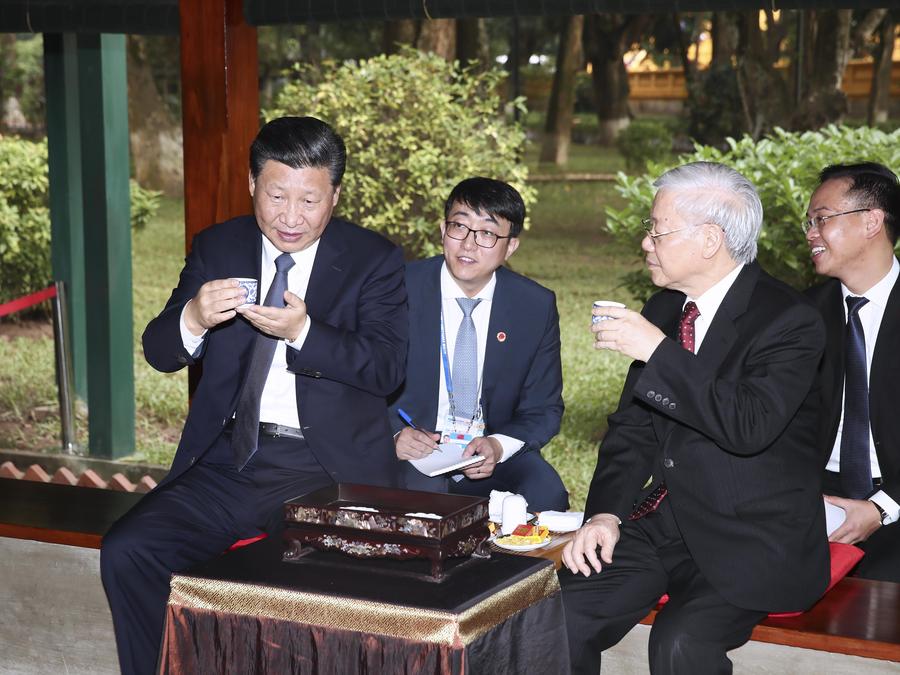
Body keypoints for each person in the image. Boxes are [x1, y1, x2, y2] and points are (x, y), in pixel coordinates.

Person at [100, 116, 408, 675]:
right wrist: (193, 318)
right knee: (130, 549)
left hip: (325, 469)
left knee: (304, 591)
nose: (291, 217)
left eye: (309, 200)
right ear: (251, 185)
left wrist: (304, 333)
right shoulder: (219, 246)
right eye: (276, 195)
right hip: (229, 460)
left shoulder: (373, 260)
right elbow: (159, 351)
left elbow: (388, 369)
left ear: (335, 196)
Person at [560, 162, 829, 674]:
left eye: (658, 231)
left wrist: (657, 352)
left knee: (680, 643)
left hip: (750, 535)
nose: (646, 243)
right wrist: (605, 515)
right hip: (662, 520)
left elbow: (747, 426)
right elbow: (633, 429)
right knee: (558, 616)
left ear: (709, 240)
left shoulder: (789, 320)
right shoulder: (665, 308)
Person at [388, 177, 568, 512]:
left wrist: (497, 446)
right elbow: (355, 380)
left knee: (546, 493)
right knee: (425, 508)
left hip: (487, 450)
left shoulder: (534, 305)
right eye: (459, 226)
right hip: (415, 450)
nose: (469, 245)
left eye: (487, 233)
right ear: (443, 230)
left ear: (510, 246)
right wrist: (394, 434)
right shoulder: (398, 289)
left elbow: (544, 408)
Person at [804, 162, 900, 583]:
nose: (811, 233)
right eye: (809, 222)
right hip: (815, 501)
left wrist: (882, 507)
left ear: (871, 222)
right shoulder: (801, 315)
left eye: (822, 219)